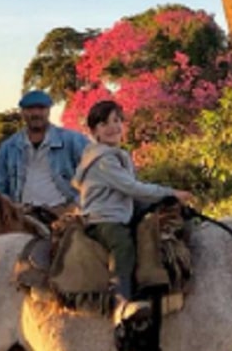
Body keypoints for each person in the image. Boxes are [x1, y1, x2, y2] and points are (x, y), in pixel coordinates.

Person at [76, 100, 193, 326]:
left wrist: (162, 201)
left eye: (117, 121)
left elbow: (131, 192)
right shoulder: (103, 159)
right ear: (94, 131)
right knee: (123, 245)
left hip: (121, 212)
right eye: (104, 124)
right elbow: (131, 188)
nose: (113, 127)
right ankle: (121, 301)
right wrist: (169, 192)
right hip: (104, 218)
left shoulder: (117, 155)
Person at [0, 89, 89, 222]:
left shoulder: (73, 141)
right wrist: (11, 208)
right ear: (22, 112)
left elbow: (95, 179)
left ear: (48, 110)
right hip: (23, 218)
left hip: (64, 216)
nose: (36, 113)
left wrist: (73, 207)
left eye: (41, 108)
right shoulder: (9, 148)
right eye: (30, 109)